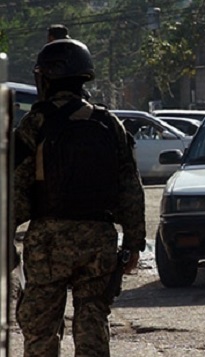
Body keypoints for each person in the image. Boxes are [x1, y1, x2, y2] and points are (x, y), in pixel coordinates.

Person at [12, 39, 146, 356]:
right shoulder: (108, 123)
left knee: (41, 329)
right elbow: (131, 189)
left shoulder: (36, 123)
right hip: (98, 241)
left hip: (48, 243)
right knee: (92, 324)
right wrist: (133, 243)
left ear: (47, 78)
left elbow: (15, 188)